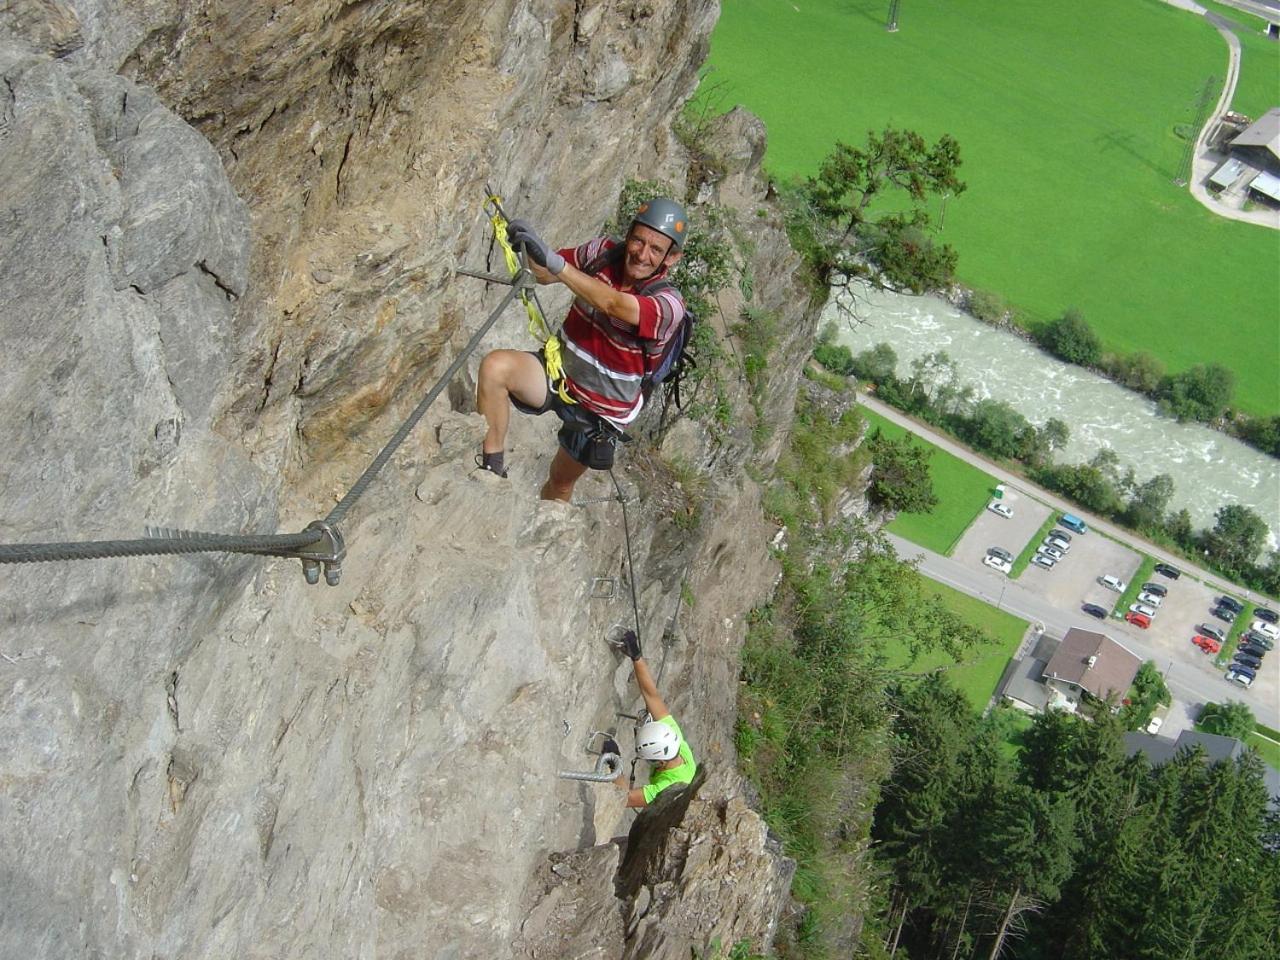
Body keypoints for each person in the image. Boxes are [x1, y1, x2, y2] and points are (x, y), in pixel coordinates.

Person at [474, 199, 688, 501]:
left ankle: (548, 531)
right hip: (560, 373)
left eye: (656, 249)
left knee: (560, 482)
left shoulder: (669, 306)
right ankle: (490, 472)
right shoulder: (601, 253)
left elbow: (612, 303)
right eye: (638, 240)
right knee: (496, 368)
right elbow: (547, 274)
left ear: (672, 257)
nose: (642, 254)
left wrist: (556, 264)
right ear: (628, 235)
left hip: (601, 411)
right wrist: (530, 252)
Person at [609, 629, 696, 808]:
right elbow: (652, 697)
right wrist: (636, 656)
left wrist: (613, 762)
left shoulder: (667, 788)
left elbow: (626, 799)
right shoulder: (676, 744)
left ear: (661, 762)